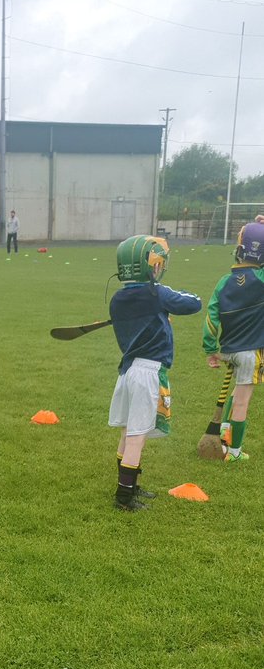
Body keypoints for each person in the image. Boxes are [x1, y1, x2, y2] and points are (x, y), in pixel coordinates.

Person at [109, 234, 202, 511]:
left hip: (127, 372)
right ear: (150, 265)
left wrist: (159, 314)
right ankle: (124, 497)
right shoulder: (156, 293)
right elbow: (192, 302)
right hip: (147, 372)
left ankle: (130, 486)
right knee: (137, 435)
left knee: (129, 431)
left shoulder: (117, 299)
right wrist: (161, 303)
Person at [202, 217, 264, 463]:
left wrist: (211, 349)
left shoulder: (223, 281)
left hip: (228, 350)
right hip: (250, 353)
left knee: (236, 395)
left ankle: (224, 438)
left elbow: (210, 320)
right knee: (243, 401)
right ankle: (235, 453)